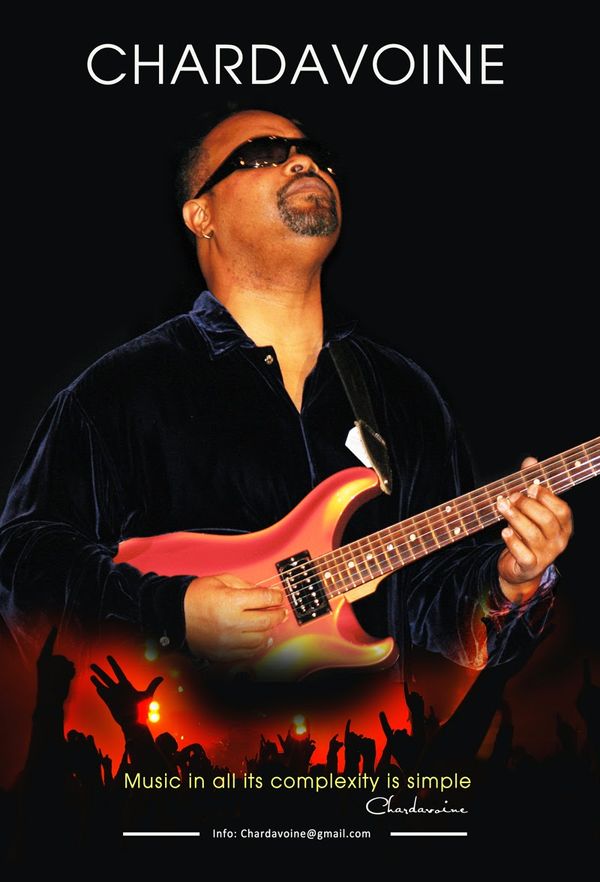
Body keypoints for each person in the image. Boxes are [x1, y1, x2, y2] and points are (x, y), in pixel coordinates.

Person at [0, 109, 573, 673]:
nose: (303, 161)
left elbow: (439, 616)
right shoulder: (121, 391)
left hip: (368, 734)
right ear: (202, 215)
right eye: (263, 155)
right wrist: (170, 613)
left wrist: (512, 582)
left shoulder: (402, 393)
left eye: (314, 155)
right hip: (179, 731)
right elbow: (22, 565)